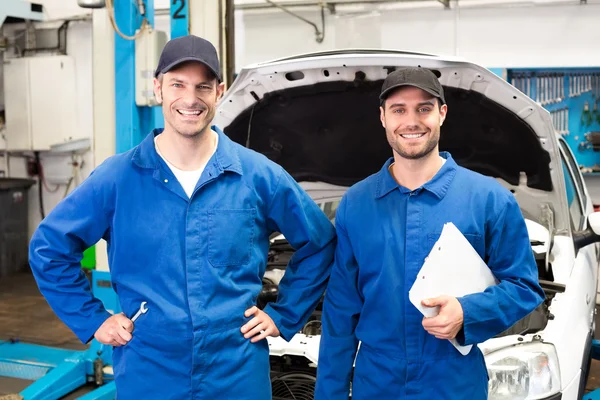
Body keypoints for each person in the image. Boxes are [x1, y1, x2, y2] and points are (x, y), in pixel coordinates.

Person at [29, 35, 336, 399]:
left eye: (202, 86)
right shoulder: (117, 179)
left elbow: (319, 243)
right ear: (158, 88)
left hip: (235, 371)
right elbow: (49, 248)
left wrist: (283, 315)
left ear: (218, 92)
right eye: (178, 84)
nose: (190, 99)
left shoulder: (257, 175)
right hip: (150, 369)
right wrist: (93, 319)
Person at [314, 67, 545, 399]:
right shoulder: (356, 204)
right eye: (399, 109)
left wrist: (468, 312)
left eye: (424, 108)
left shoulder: (487, 199)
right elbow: (340, 311)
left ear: (442, 114)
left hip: (454, 383)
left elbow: (524, 288)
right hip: (377, 384)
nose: (412, 121)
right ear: (383, 117)